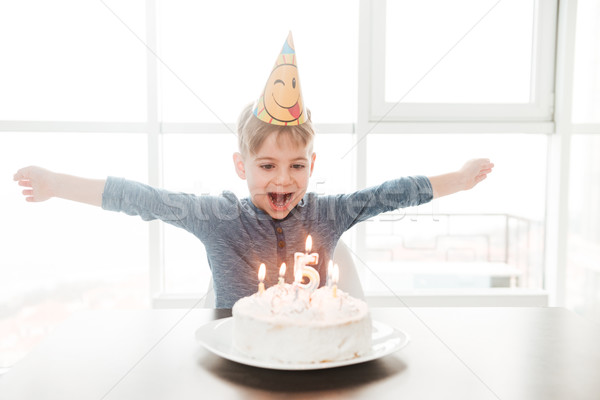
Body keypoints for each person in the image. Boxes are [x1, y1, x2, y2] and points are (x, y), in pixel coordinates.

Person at [13, 33, 494, 308]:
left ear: (312, 166)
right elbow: (140, 198)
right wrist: (56, 184)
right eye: (267, 165)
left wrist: (461, 177)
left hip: (310, 364)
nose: (283, 180)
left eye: (297, 166)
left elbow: (394, 192)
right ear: (241, 165)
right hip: (235, 364)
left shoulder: (328, 214)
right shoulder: (217, 218)